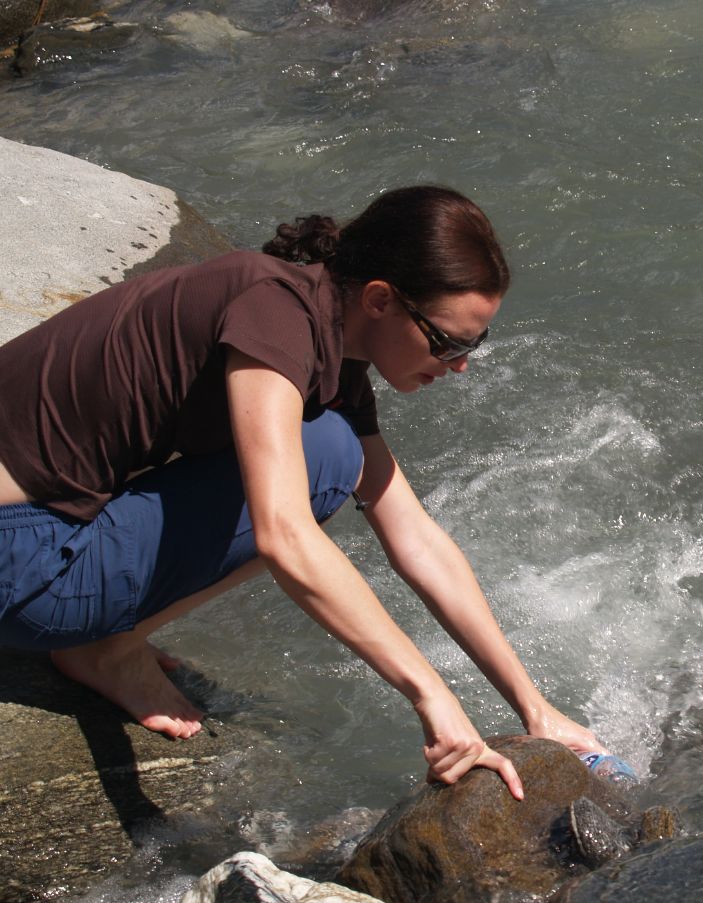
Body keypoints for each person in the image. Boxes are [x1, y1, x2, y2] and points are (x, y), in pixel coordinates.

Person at [0, 184, 603, 799]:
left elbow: (414, 535)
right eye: (448, 342)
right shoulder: (275, 315)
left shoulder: (322, 341)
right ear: (379, 299)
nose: (461, 364)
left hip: (38, 524)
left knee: (328, 450)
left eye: (474, 345)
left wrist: (536, 709)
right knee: (325, 459)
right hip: (20, 557)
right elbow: (283, 534)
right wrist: (432, 695)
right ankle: (104, 651)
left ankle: (106, 639)